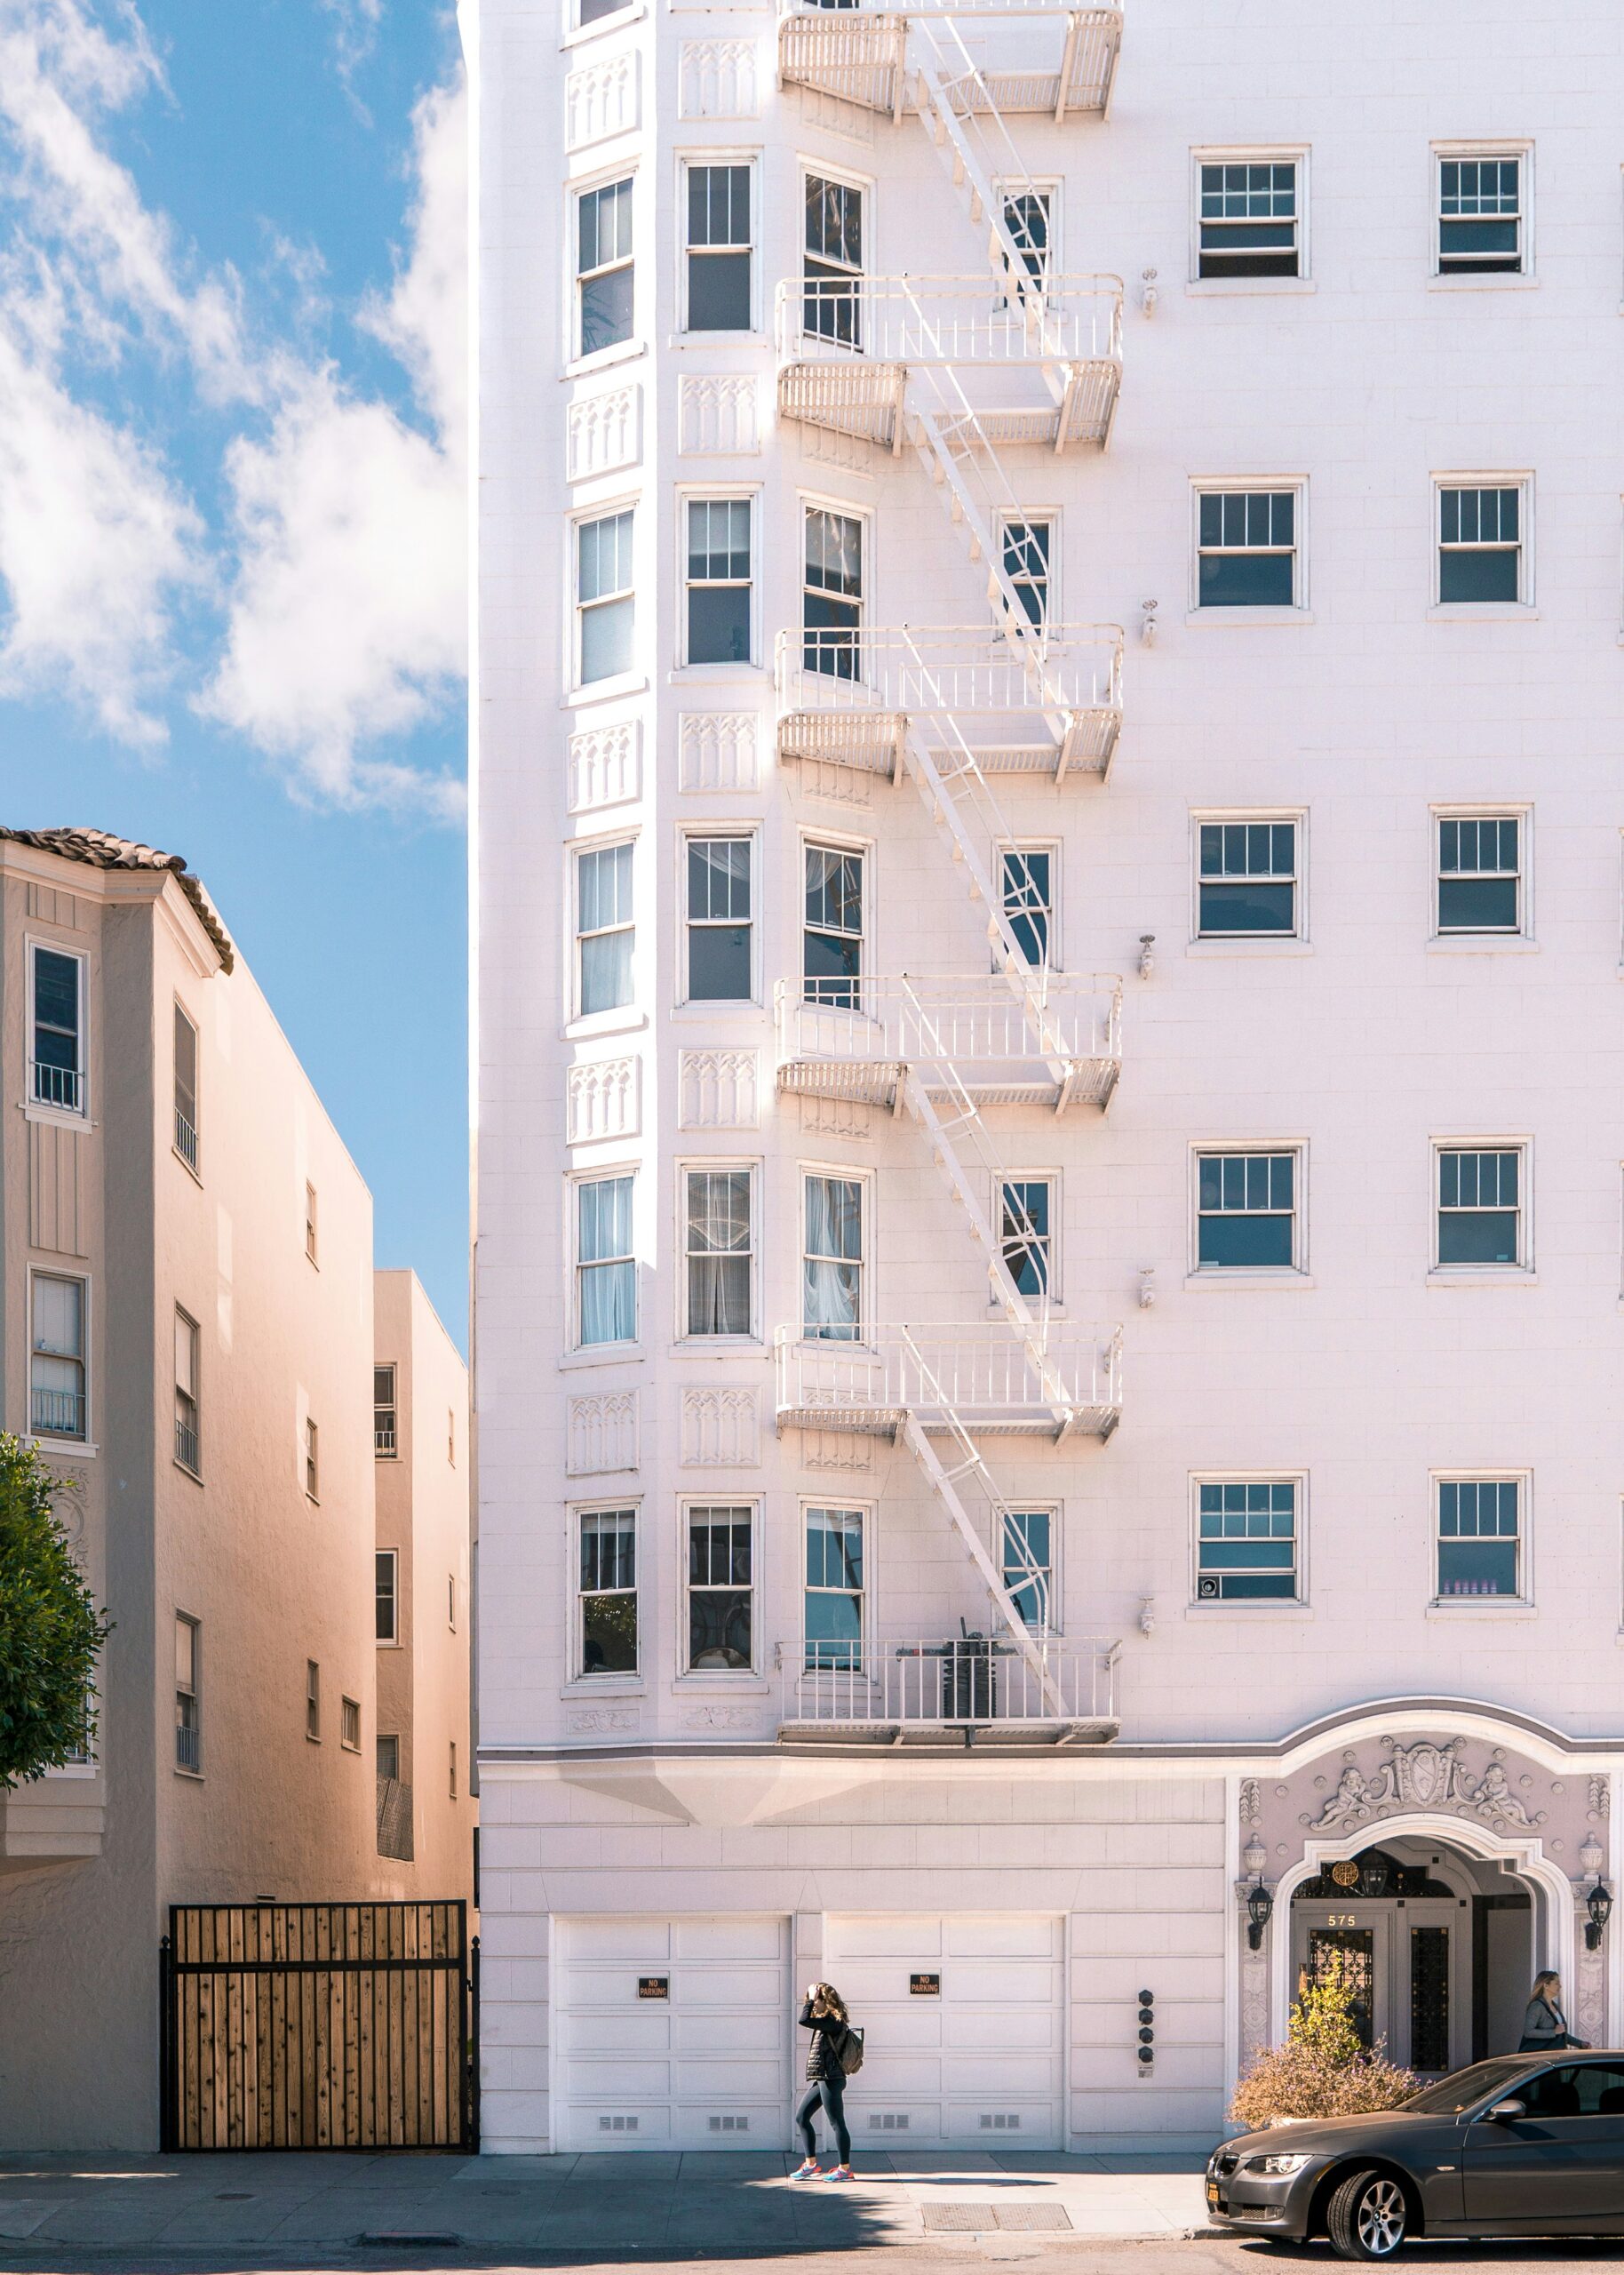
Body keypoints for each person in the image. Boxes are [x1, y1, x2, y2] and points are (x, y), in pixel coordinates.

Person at [792, 1981, 854, 2180]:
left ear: (825, 2000)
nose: (812, 2004)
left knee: (836, 2123)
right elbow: (808, 2019)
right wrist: (812, 2000)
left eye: (816, 2000)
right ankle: (810, 2165)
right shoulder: (824, 2021)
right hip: (821, 2078)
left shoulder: (833, 2021)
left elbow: (803, 2020)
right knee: (801, 2117)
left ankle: (844, 2169)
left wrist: (811, 2000)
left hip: (832, 2078)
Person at [1519, 1968, 1588, 2052]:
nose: (1560, 1986)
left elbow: (1561, 2033)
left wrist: (1579, 2043)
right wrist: (1553, 2032)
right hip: (1539, 2057)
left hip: (1554, 2056)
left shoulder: (1554, 2005)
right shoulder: (1537, 2006)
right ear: (1546, 1986)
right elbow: (1528, 2032)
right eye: (1556, 1983)